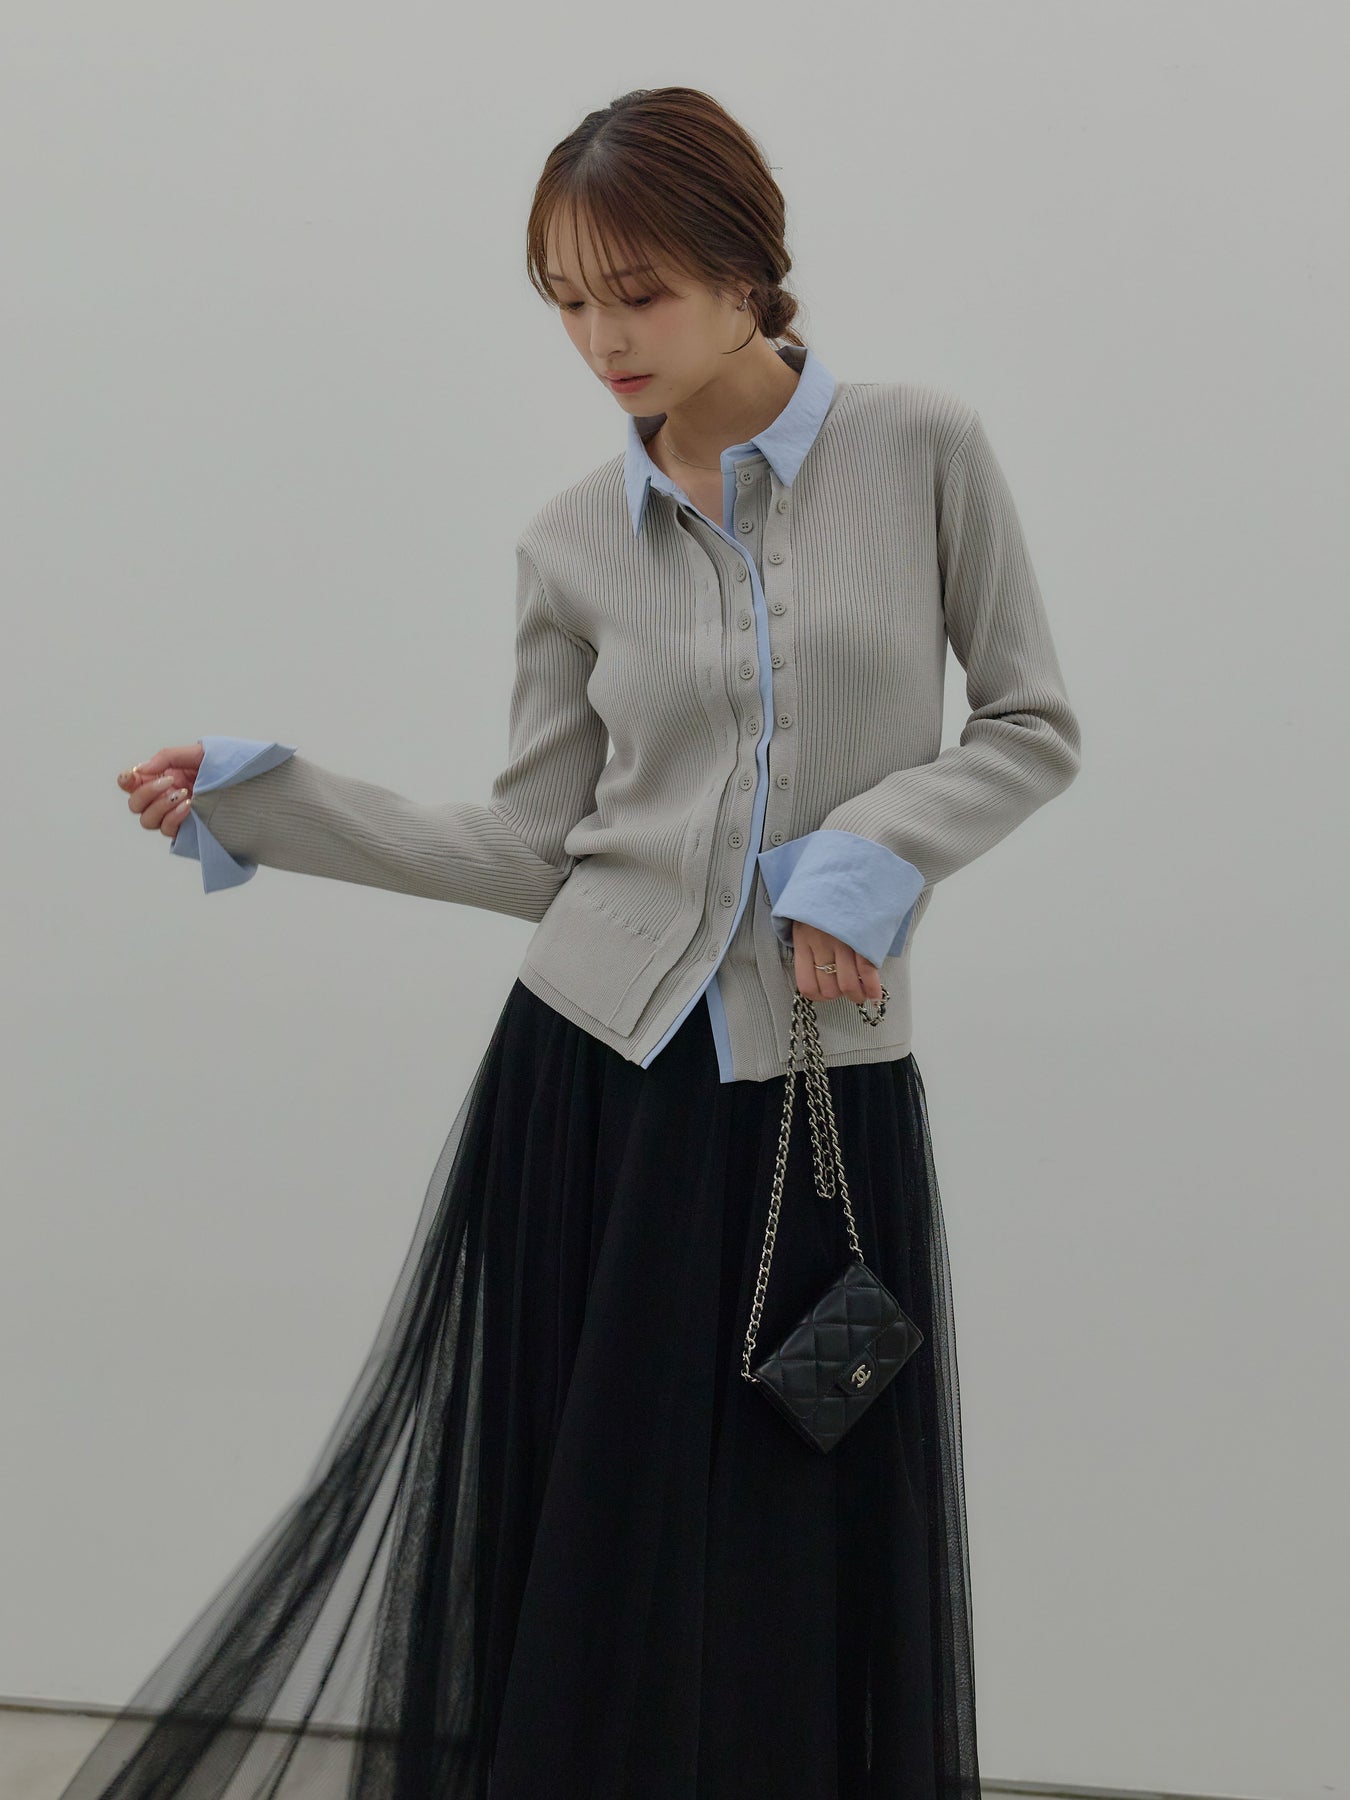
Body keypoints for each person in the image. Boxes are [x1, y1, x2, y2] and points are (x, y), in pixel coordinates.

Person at [76, 84, 1080, 1800]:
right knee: (598, 1527)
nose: (601, 339)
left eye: (638, 292)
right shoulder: (567, 541)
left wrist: (861, 861)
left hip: (819, 1083)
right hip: (596, 1087)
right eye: (564, 300)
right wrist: (273, 803)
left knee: (800, 1507)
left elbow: (1027, 724)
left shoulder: (920, 448)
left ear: (746, 271)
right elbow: (538, 848)